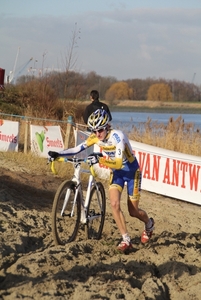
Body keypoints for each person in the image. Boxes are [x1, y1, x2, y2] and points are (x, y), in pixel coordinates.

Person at [48, 109, 154, 253]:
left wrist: (101, 158)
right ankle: (126, 239)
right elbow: (77, 149)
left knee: (133, 211)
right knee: (114, 204)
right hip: (117, 174)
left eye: (100, 130)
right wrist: (58, 153)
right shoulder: (95, 137)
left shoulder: (118, 137)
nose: (97, 134)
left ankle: (149, 224)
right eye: (94, 130)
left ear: (107, 126)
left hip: (131, 173)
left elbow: (117, 163)